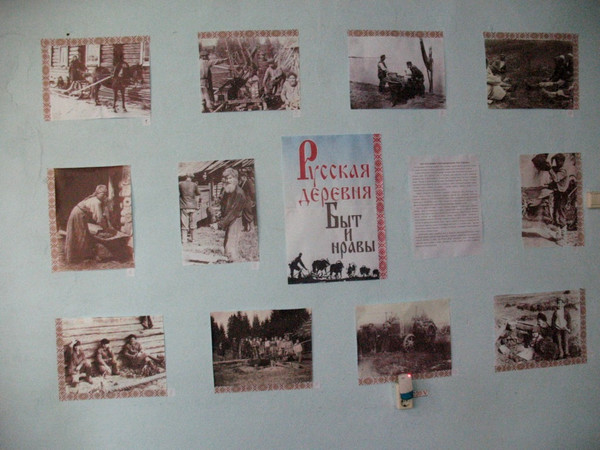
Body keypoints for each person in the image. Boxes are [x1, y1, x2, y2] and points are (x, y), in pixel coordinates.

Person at [65, 185, 113, 264]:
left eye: (105, 194)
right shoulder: (96, 202)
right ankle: (76, 258)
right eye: (102, 194)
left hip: (79, 214)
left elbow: (98, 216)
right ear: (97, 193)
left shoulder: (97, 201)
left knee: (82, 234)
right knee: (79, 235)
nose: (104, 196)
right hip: (78, 214)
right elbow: (99, 219)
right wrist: (106, 229)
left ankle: (80, 256)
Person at [211, 168, 249, 262]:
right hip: (229, 219)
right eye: (226, 178)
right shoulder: (228, 191)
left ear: (235, 179)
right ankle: (230, 261)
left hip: (235, 219)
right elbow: (224, 206)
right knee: (227, 244)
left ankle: (233, 263)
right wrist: (220, 214)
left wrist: (219, 224)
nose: (228, 180)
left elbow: (233, 212)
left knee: (230, 245)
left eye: (230, 178)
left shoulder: (239, 193)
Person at [548, 153, 569, 240]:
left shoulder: (562, 171)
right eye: (555, 161)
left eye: (558, 161)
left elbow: (556, 179)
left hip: (562, 195)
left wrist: (550, 169)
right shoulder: (558, 170)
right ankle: (558, 234)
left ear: (562, 161)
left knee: (561, 214)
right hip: (558, 194)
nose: (556, 163)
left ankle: (563, 236)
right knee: (556, 213)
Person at [179, 174, 201, 242]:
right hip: (193, 207)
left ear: (185, 177)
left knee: (184, 224)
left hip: (184, 206)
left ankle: (184, 240)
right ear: (192, 178)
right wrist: (197, 204)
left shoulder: (180, 184)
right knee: (193, 224)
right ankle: (193, 239)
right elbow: (198, 194)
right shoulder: (194, 185)